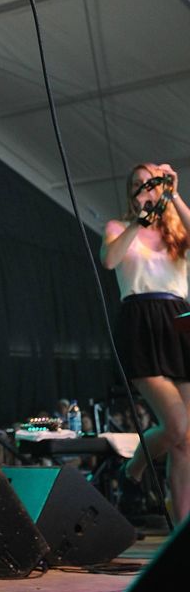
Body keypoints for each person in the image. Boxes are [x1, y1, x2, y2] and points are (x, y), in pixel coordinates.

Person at [100, 162, 190, 522]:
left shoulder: (177, 232)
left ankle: (180, 535)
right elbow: (109, 260)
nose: (144, 189)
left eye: (150, 183)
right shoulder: (119, 227)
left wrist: (176, 193)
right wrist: (138, 221)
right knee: (177, 426)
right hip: (140, 322)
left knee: (186, 443)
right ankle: (134, 468)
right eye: (136, 185)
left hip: (179, 322)